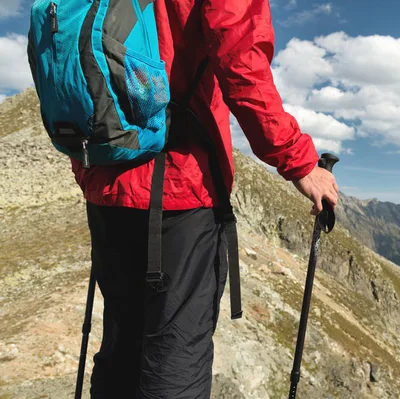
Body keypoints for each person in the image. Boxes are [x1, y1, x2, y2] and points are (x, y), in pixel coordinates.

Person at [72, 0, 339, 397]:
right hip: (180, 190)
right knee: (176, 357)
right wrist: (297, 160)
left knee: (122, 344)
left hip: (106, 182)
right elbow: (240, 55)